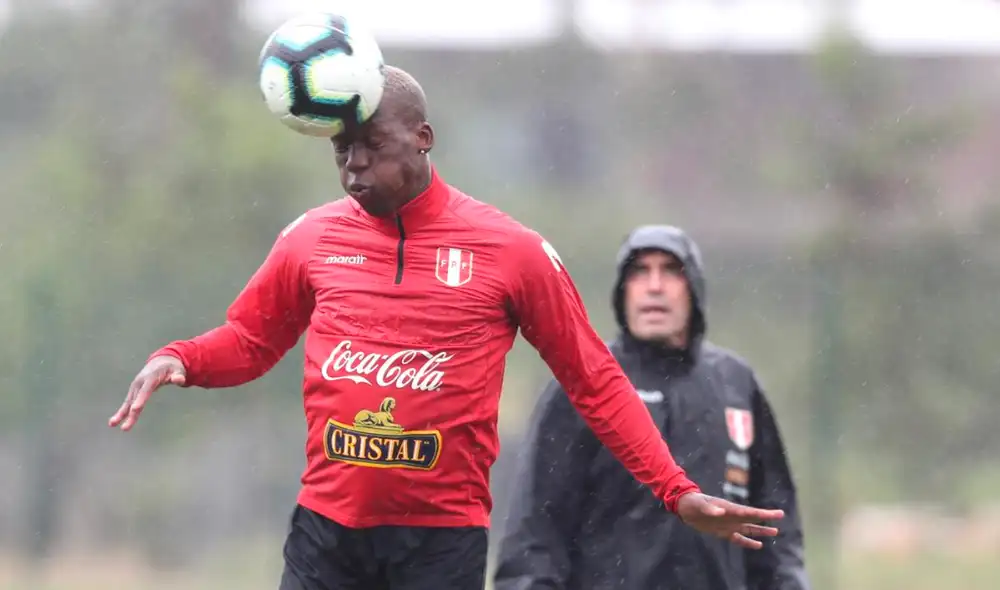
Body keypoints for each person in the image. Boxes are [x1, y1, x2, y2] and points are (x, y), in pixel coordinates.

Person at [108, 68, 784, 590]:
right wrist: (182, 359)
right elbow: (251, 342)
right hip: (326, 532)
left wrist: (676, 488)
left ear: (423, 138)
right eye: (342, 150)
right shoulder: (310, 239)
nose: (353, 167)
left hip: (439, 543)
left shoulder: (510, 251)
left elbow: (594, 379)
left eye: (371, 148)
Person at [494, 224, 810, 590]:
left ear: (694, 287)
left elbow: (776, 530)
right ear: (622, 291)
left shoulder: (736, 383)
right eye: (640, 271)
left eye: (671, 270)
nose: (654, 285)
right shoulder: (582, 383)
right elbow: (535, 531)